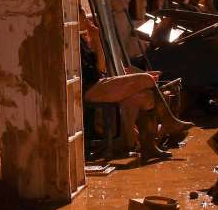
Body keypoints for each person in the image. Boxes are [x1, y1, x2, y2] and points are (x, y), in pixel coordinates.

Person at [80, 12, 193, 161]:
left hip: (99, 84)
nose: (86, 20)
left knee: (147, 98)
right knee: (146, 78)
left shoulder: (83, 39)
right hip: (89, 89)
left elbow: (100, 67)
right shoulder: (72, 41)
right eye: (83, 16)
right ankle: (169, 122)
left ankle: (149, 148)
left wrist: (95, 37)